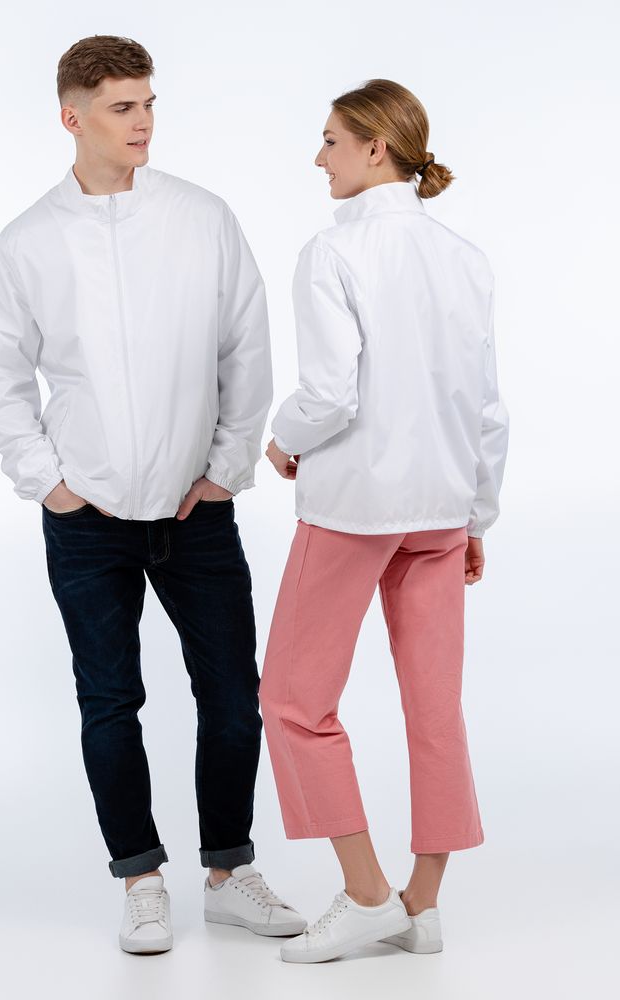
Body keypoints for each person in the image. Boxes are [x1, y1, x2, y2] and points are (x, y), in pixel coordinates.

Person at [0, 34, 306, 955]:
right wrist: (49, 483)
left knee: (233, 695)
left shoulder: (202, 218)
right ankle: (142, 881)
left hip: (197, 512)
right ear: (71, 117)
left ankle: (228, 875)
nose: (144, 121)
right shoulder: (29, 241)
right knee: (110, 703)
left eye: (149, 102)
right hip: (89, 520)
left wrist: (226, 469)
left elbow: (246, 346)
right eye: (122, 107)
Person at [259, 78, 509, 964]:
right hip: (442, 507)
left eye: (330, 140)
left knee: (292, 699)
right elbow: (486, 407)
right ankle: (422, 906)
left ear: (375, 148)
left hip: (353, 509)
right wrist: (477, 514)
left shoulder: (333, 253)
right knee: (435, 708)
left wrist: (282, 438)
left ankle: (367, 894)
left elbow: (331, 394)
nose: (317, 157)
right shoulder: (464, 256)